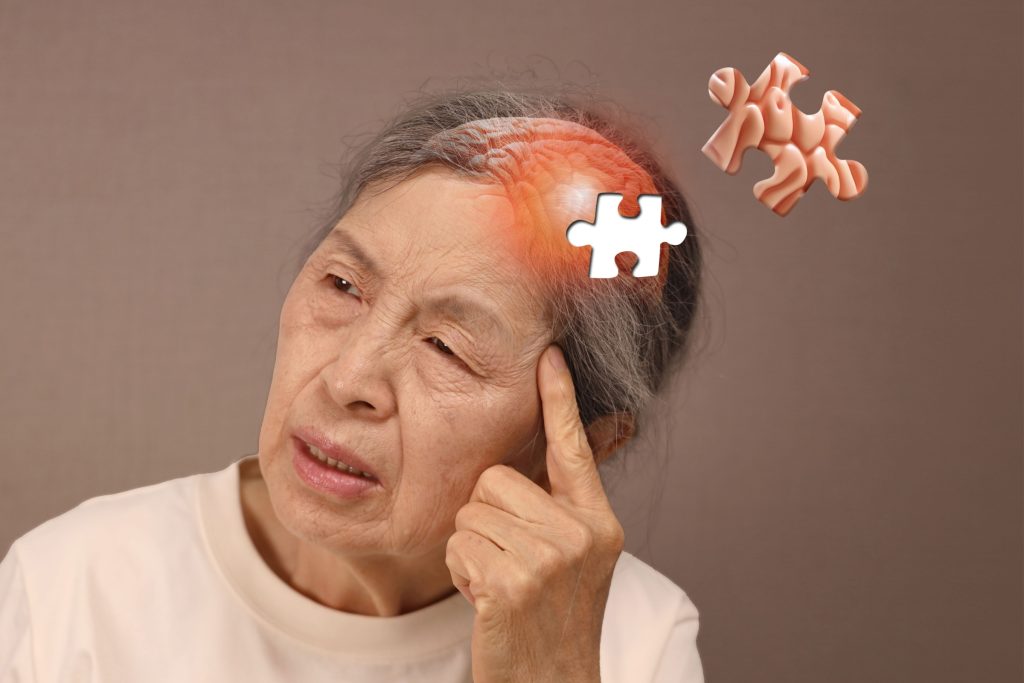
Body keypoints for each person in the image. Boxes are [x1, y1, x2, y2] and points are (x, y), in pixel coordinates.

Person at [0, 87, 706, 682]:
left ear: (583, 442)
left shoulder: (635, 641)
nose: (348, 378)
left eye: (446, 347)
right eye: (342, 284)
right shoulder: (75, 581)